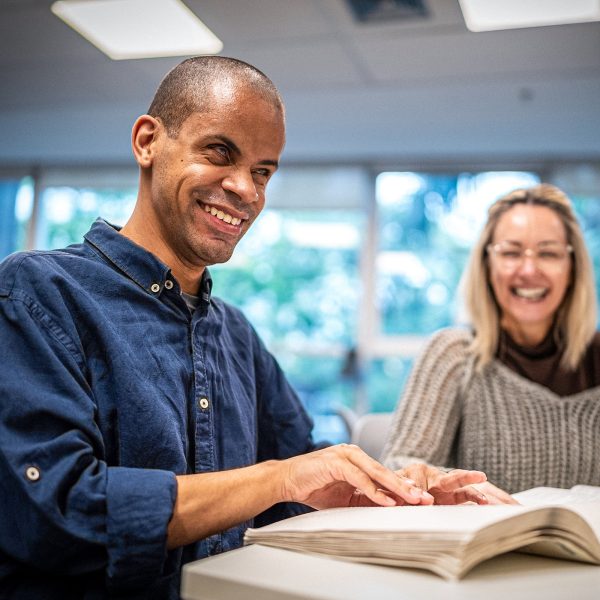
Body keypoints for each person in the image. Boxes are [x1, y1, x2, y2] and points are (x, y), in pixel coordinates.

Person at [0, 57, 488, 599]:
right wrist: (279, 477)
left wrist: (393, 492)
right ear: (147, 142)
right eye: (219, 153)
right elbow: (58, 513)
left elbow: (303, 475)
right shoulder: (38, 292)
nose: (246, 190)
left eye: (262, 172)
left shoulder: (234, 333)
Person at [381, 183, 600, 500]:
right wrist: (459, 487)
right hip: (482, 547)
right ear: (486, 264)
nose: (528, 269)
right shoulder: (454, 354)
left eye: (549, 253)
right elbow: (399, 470)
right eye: (511, 253)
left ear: (573, 266)